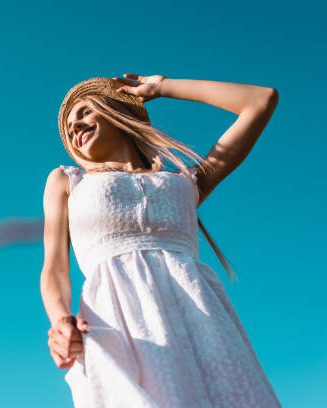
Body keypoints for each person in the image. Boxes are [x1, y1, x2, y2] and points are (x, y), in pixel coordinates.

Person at [40, 75, 281, 407]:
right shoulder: (68, 181)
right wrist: (58, 319)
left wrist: (162, 87)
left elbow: (260, 100)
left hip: (204, 324)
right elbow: (53, 268)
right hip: (118, 322)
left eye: (83, 112)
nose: (73, 126)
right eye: (68, 126)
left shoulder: (185, 182)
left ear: (114, 111)